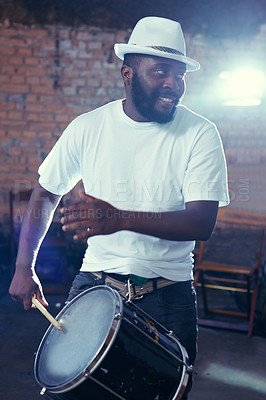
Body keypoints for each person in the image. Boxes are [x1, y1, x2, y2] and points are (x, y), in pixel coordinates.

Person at [9, 16, 229, 399]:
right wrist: (23, 267)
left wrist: (120, 218)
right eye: (161, 71)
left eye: (179, 75)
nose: (173, 85)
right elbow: (45, 193)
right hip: (94, 286)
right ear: (127, 73)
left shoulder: (200, 133)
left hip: (167, 299)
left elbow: (202, 221)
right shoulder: (88, 128)